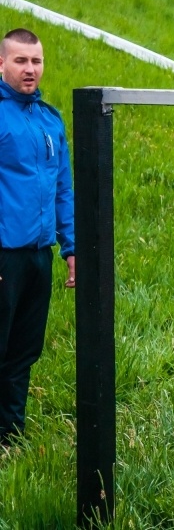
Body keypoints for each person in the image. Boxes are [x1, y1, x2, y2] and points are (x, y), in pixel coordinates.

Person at [0, 28, 76, 446]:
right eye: (20, 60)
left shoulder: (51, 119)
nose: (30, 69)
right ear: (2, 64)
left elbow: (63, 187)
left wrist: (71, 246)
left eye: (36, 61)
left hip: (39, 255)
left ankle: (10, 438)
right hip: (3, 254)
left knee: (24, 350)